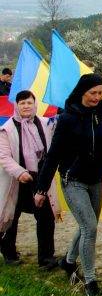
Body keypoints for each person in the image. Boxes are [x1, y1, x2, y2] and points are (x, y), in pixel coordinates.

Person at [34, 73, 102, 296]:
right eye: (92, 93)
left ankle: (68, 261)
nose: (97, 97)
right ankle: (90, 280)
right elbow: (54, 155)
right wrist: (41, 188)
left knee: (85, 224)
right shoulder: (67, 118)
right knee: (90, 227)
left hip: (97, 179)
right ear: (82, 92)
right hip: (73, 181)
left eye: (100, 93)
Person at [0, 90, 60, 269]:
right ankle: (9, 252)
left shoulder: (45, 123)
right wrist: (19, 172)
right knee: (12, 217)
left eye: (29, 103)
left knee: (46, 217)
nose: (26, 106)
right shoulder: (7, 129)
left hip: (40, 179)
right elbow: (4, 157)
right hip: (16, 180)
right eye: (22, 103)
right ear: (16, 106)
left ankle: (46, 259)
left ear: (35, 104)